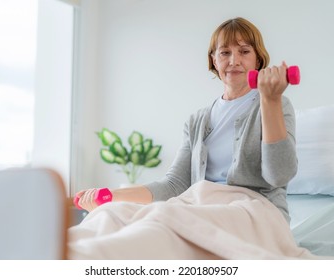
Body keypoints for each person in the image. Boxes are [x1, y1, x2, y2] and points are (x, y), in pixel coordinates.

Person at [75, 17, 297, 224]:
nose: (234, 61)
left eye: (244, 51)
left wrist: (271, 99)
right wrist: (111, 196)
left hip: (255, 212)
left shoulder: (276, 104)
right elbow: (174, 185)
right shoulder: (197, 121)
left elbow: (279, 176)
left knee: (160, 227)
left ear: (257, 58)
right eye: (225, 53)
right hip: (202, 207)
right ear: (214, 60)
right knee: (113, 218)